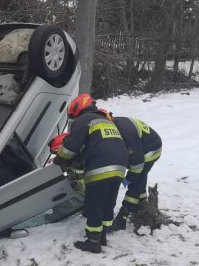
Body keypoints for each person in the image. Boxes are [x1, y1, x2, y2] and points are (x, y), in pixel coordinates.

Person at [49, 93, 128, 254]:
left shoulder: (84, 121)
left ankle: (93, 243)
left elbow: (70, 147)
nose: (73, 119)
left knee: (94, 205)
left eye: (73, 116)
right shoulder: (107, 121)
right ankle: (102, 237)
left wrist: (58, 162)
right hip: (120, 167)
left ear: (78, 109)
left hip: (100, 167)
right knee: (108, 204)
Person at [104, 112, 162, 231]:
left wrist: (127, 179)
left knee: (136, 181)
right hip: (140, 148)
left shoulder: (126, 133)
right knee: (139, 180)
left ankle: (122, 217)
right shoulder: (114, 126)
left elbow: (138, 163)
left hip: (151, 149)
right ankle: (140, 206)